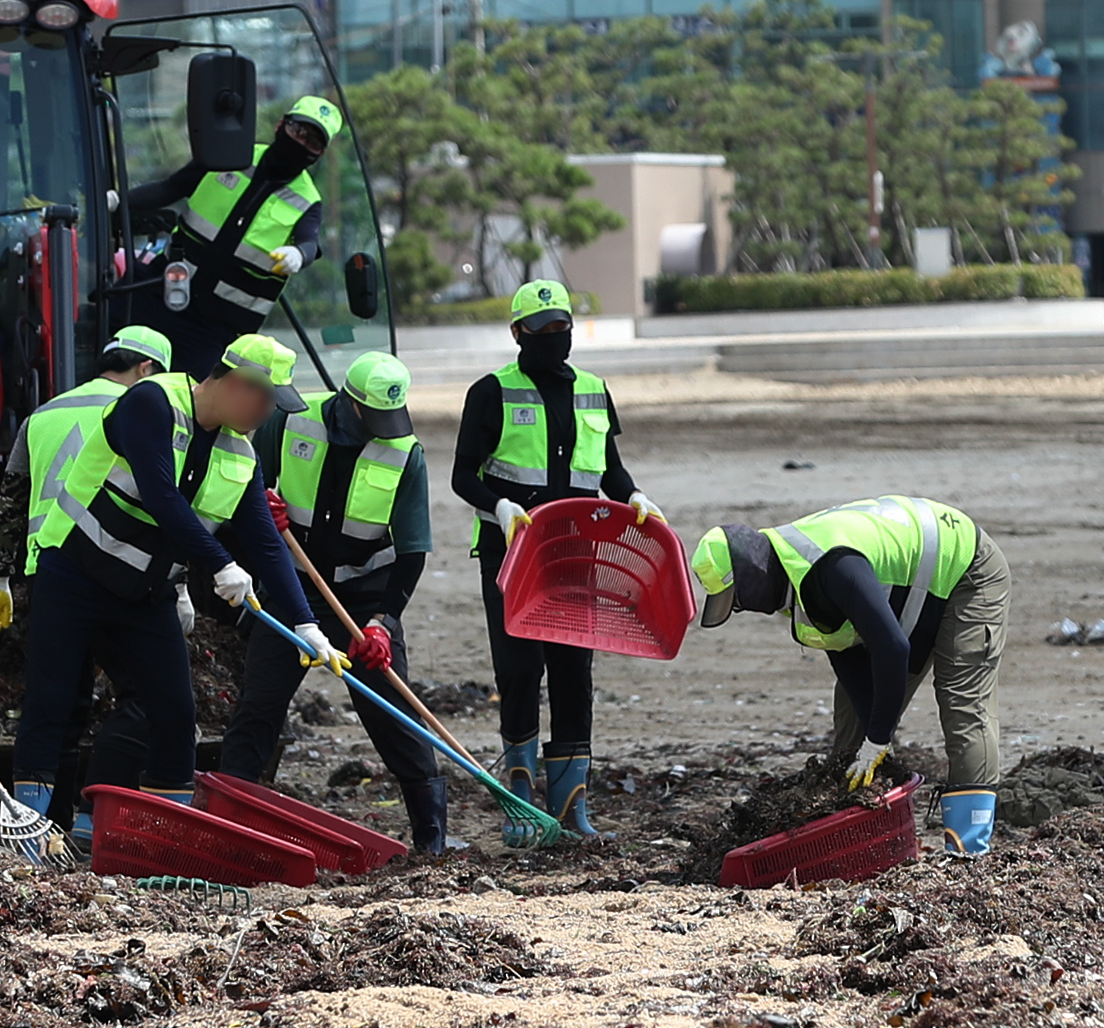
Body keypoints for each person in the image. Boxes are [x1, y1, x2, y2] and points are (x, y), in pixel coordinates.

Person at [8, 334, 323, 840]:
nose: (268, 414)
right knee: (53, 701)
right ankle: (31, 831)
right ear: (238, 383)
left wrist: (306, 623)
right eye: (266, 400)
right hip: (75, 573)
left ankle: (161, 837)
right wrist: (221, 564)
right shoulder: (152, 402)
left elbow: (266, 543)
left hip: (143, 592)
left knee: (175, 712)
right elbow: (160, 495)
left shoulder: (240, 453)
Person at [450, 277, 660, 842]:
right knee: (519, 671)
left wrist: (633, 495)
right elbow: (462, 474)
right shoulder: (490, 392)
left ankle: (572, 808)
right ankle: (520, 799)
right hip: (513, 552)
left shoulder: (593, 389)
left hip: (576, 551)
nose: (553, 337)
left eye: (561, 327)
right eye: (541, 329)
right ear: (517, 332)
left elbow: (609, 470)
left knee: (574, 674)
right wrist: (497, 506)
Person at [688, 497, 1011, 858]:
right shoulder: (793, 580)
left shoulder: (830, 566)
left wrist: (877, 739)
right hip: (911, 595)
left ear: (752, 576)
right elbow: (846, 654)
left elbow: (892, 648)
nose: (742, 608)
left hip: (967, 568)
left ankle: (968, 851)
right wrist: (868, 739)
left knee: (962, 705)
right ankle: (866, 845)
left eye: (737, 599)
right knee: (852, 720)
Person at [222, 350, 449, 851]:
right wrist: (260, 504)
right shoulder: (292, 420)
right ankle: (228, 815)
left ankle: (431, 835)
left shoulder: (404, 453)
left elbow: (411, 552)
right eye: (375, 418)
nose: (384, 430)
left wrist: (383, 623)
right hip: (293, 584)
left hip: (364, 596)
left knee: (391, 712)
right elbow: (243, 476)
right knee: (259, 705)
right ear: (350, 404)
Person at [129, 94, 344, 372]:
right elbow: (172, 187)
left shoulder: (307, 201)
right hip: (164, 292)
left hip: (215, 329)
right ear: (281, 125)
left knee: (193, 405)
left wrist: (298, 255)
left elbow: (310, 242)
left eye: (313, 141)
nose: (301, 142)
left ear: (320, 154)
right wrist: (114, 201)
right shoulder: (230, 156)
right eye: (298, 131)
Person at [0, 325, 173, 614]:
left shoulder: (40, 416)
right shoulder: (148, 416)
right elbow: (164, 501)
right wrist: (177, 585)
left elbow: (11, 504)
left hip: (46, 568)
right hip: (121, 570)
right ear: (145, 369)